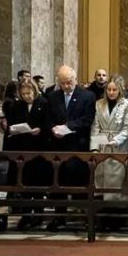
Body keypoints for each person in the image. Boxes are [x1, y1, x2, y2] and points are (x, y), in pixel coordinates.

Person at [42, 65, 96, 231]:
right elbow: (47, 118)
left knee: (80, 182)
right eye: (63, 83)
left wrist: (67, 127)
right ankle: (59, 216)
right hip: (58, 146)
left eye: (69, 82)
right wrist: (53, 128)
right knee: (59, 182)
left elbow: (87, 119)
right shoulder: (52, 97)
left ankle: (83, 216)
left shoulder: (87, 96)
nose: (66, 86)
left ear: (75, 79)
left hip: (77, 145)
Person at [2, 80, 48, 230]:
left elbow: (48, 123)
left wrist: (40, 129)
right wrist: (14, 129)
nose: (26, 96)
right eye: (23, 94)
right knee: (26, 183)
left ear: (34, 91)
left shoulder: (44, 103)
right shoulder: (17, 105)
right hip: (23, 148)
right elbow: (12, 125)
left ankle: (39, 215)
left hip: (39, 148)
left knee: (39, 184)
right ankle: (26, 214)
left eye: (29, 93)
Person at [91, 79, 128, 230]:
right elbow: (95, 126)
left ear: (120, 90)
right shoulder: (99, 104)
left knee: (117, 182)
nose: (111, 92)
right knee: (101, 182)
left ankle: (119, 219)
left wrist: (116, 140)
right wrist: (95, 148)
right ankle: (103, 219)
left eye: (114, 90)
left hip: (119, 146)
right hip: (102, 144)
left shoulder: (126, 105)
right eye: (109, 89)